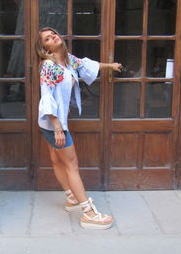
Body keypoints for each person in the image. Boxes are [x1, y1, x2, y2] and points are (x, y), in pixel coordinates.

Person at [35, 27, 122, 230]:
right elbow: (46, 97)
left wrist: (111, 66)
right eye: (48, 38)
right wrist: (57, 128)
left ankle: (72, 198)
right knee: (72, 165)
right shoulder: (49, 66)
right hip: (53, 124)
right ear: (44, 47)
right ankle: (89, 214)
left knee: (57, 159)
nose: (53, 37)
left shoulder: (66, 60)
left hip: (50, 123)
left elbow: (86, 65)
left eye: (54, 34)